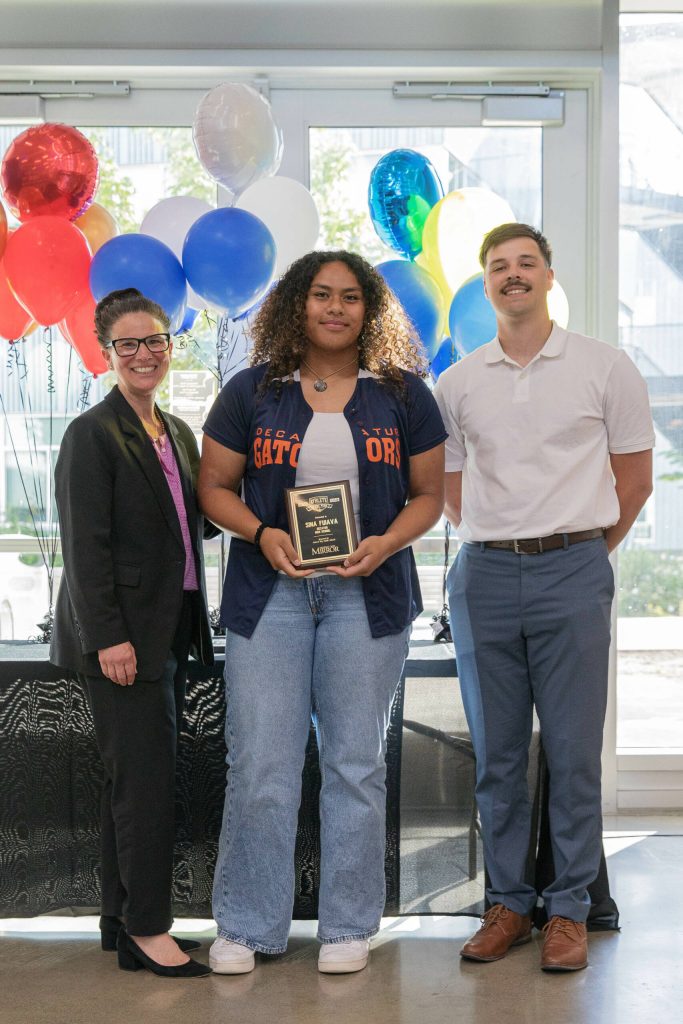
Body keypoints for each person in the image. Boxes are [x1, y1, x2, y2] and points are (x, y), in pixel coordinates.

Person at [199, 250, 446, 975]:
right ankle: (245, 926)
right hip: (268, 594)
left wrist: (384, 544)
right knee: (260, 766)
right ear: (295, 307)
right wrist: (262, 533)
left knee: (354, 765)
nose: (334, 308)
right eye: (320, 295)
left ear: (369, 310)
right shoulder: (251, 390)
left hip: (366, 596)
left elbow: (428, 496)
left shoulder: (404, 396)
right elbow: (214, 487)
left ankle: (346, 925)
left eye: (349, 297)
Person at [434, 223, 654, 972]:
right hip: (485, 577)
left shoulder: (604, 366)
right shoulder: (458, 381)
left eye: (525, 263)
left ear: (548, 276)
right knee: (497, 758)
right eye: (498, 266)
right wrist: (506, 537)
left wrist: (581, 551)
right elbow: (450, 488)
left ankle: (568, 909)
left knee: (570, 753)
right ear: (485, 283)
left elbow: (634, 481)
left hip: (572, 571)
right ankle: (508, 905)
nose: (513, 275)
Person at [50, 288, 216, 979]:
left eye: (154, 341)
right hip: (121, 641)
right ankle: (149, 930)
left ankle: (119, 920)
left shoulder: (174, 431)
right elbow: (85, 547)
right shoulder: (92, 433)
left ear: (169, 347)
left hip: (167, 630)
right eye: (128, 344)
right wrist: (108, 637)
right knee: (143, 786)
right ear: (106, 353)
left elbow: (194, 522)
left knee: (136, 780)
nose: (144, 354)